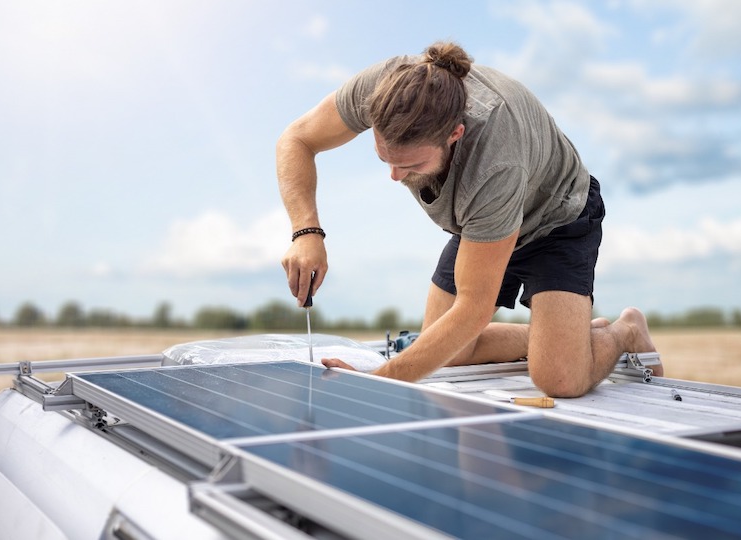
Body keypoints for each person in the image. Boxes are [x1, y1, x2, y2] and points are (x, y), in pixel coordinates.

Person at [276, 41, 661, 397]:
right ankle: (562, 337)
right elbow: (296, 139)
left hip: (556, 219)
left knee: (559, 379)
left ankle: (624, 330)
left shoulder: (494, 161)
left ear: (455, 134)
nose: (394, 175)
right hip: (480, 224)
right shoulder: (384, 90)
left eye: (411, 164)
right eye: (385, 158)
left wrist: (379, 383)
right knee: (453, 350)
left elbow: (474, 310)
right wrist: (306, 232)